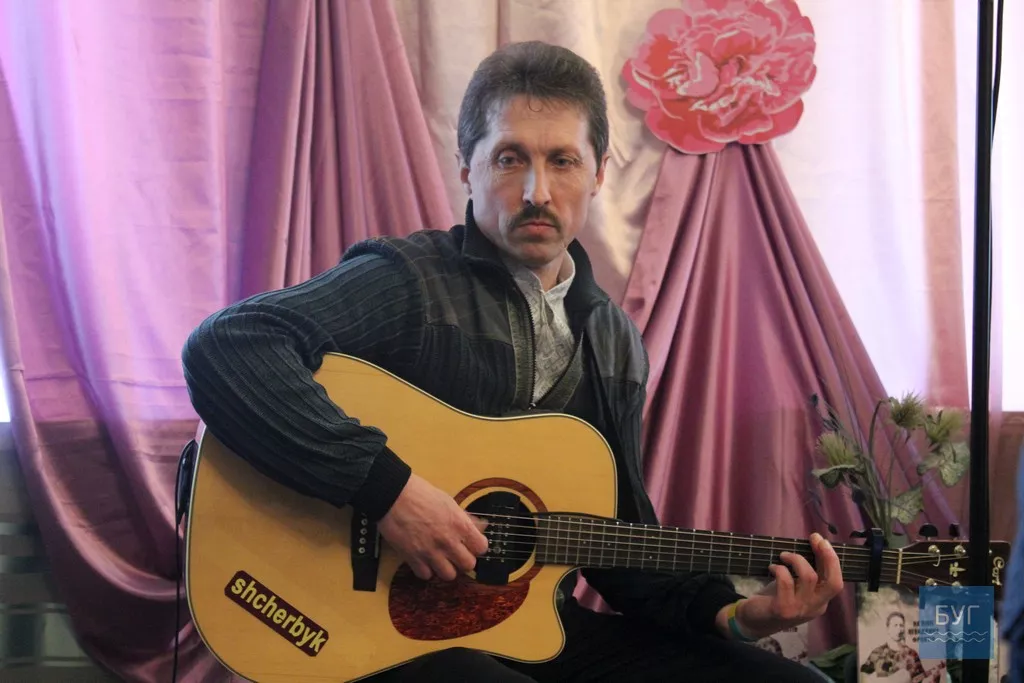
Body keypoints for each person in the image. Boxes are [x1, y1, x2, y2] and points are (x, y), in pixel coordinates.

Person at [182, 40, 843, 682]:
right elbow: (230, 346)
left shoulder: (613, 341)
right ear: (466, 169)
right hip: (369, 629)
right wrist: (389, 493)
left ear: (599, 173)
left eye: (562, 161)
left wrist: (738, 615)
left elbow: (618, 545)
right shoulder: (409, 280)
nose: (537, 191)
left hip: (523, 628)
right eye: (509, 158)